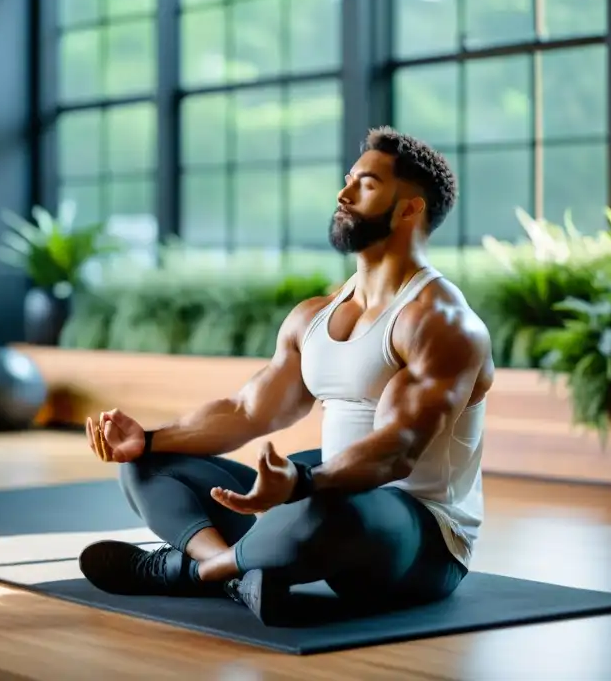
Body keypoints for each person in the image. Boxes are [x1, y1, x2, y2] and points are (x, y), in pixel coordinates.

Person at [79, 126, 494, 625]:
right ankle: (238, 573)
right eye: (348, 179)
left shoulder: (439, 321)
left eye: (366, 184)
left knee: (331, 506)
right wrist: (146, 439)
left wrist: (302, 482)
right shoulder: (313, 315)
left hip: (419, 539)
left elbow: (395, 453)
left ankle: (191, 571)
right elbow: (247, 411)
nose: (343, 194)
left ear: (410, 209)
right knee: (149, 465)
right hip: (318, 495)